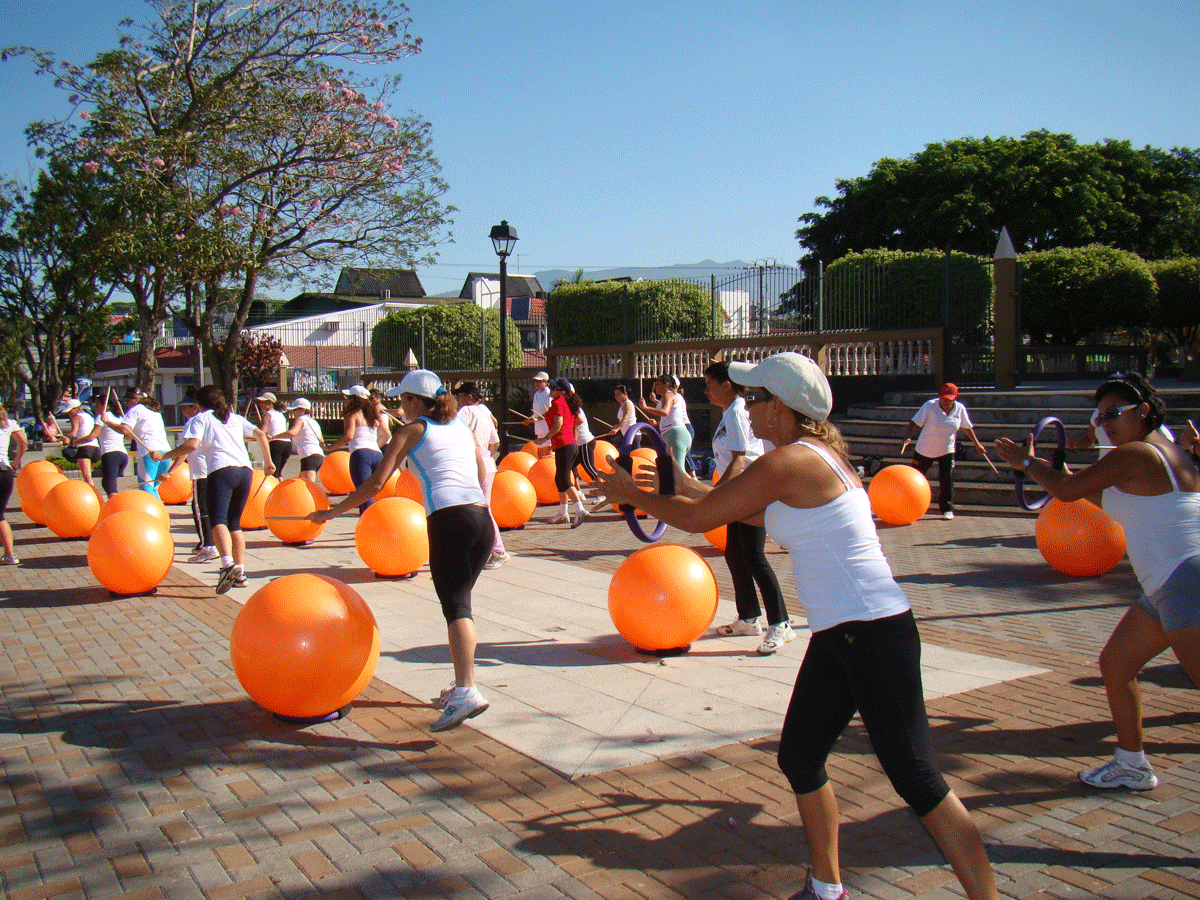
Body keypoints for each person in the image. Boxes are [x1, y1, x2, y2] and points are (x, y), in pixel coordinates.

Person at [596, 352, 998, 900]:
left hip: (873, 634)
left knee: (920, 782)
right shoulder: (810, 457)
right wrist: (676, 482)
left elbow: (699, 519)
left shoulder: (791, 462)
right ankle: (826, 888)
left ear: (781, 408)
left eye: (754, 398)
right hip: (843, 635)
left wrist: (633, 496)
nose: (746, 407)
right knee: (801, 757)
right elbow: (732, 506)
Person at [996, 371, 1200, 792]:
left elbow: (1068, 492)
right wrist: (1054, 471)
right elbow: (1095, 493)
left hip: (1186, 582)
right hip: (1165, 587)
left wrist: (1026, 463)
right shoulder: (1166, 454)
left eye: (1115, 413)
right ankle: (1131, 764)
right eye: (1100, 415)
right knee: (1116, 665)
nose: (1105, 423)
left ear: (1143, 411)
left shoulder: (1136, 454)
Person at [311, 369, 494, 732]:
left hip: (450, 521)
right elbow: (480, 466)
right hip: (481, 521)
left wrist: (331, 511)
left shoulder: (412, 430)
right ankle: (462, 684)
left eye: (402, 399)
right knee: (461, 607)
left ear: (414, 401)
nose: (399, 405)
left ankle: (466, 691)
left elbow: (376, 482)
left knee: (457, 608)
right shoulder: (459, 426)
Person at [703, 359, 792, 655]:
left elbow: (740, 460)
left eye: (709, 385)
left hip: (751, 491)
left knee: (754, 557)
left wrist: (716, 495)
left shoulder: (738, 412)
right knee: (735, 554)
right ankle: (749, 618)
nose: (706, 391)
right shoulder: (730, 411)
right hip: (740, 492)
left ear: (727, 386)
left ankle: (780, 623)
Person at [150, 385, 274, 594]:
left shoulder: (200, 419)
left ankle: (227, 566)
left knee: (218, 520)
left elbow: (192, 445)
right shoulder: (234, 418)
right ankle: (240, 572)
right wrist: (268, 462)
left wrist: (163, 456)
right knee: (235, 523)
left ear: (199, 404)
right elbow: (261, 434)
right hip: (245, 471)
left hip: (221, 470)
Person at [902, 383, 990, 520]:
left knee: (947, 479)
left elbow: (966, 427)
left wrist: (977, 444)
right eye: (943, 398)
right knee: (915, 478)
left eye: (949, 399)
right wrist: (908, 437)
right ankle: (911, 505)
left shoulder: (960, 409)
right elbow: (914, 422)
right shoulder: (930, 405)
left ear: (955, 398)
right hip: (925, 449)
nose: (945, 402)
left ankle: (947, 508)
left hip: (947, 450)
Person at [454, 382, 510, 569]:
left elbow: (451, 430)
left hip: (475, 468)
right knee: (478, 509)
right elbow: (495, 443)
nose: (458, 401)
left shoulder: (466, 412)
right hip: (487, 465)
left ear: (469, 397)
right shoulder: (485, 412)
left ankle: (498, 550)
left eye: (460, 396)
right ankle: (481, 549)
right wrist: (484, 455)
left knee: (480, 510)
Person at [328, 385, 387, 513]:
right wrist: (375, 445)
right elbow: (386, 434)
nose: (346, 400)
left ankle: (371, 522)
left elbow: (349, 435)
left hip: (361, 454)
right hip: (377, 454)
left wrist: (330, 448)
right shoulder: (374, 416)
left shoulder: (352, 414)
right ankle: (371, 522)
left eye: (348, 397)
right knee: (370, 492)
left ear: (355, 399)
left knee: (362, 494)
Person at [111, 389, 172, 497]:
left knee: (146, 489)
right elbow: (130, 435)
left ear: (135, 400)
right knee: (154, 488)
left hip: (149, 452)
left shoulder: (135, 410)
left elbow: (125, 430)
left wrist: (108, 422)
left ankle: (154, 513)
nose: (126, 404)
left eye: (128, 400)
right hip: (165, 452)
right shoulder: (154, 411)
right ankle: (160, 512)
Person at [545, 377, 588, 527]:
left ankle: (580, 510)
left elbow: (558, 424)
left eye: (552, 388)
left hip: (565, 445)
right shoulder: (566, 403)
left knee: (564, 480)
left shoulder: (558, 403)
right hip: (568, 445)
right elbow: (578, 420)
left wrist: (545, 438)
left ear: (560, 391)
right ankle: (563, 513)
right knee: (560, 479)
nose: (549, 390)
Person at [638, 374, 693, 471]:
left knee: (678, 471)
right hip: (674, 436)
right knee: (675, 470)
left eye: (658, 384)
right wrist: (657, 422)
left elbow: (665, 412)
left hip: (676, 436)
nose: (655, 387)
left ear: (666, 385)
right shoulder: (666, 397)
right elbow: (669, 416)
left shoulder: (668, 394)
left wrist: (646, 408)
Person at [80, 394, 130, 499]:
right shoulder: (119, 417)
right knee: (106, 483)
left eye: (97, 404)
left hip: (110, 454)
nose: (95, 407)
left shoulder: (102, 417)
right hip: (123, 455)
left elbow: (93, 436)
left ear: (106, 406)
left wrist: (75, 442)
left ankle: (115, 507)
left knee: (110, 485)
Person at [0, 403, 28, 565]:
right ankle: (9, 554)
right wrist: (16, 461)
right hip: (5, 472)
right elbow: (23, 442)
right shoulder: (10, 424)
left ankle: (9, 554)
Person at [59, 397, 103, 501]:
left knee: (87, 478)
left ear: (74, 409)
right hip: (96, 448)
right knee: (89, 475)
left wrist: (63, 437)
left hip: (84, 449)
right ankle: (93, 496)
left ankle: (96, 499)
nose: (68, 414)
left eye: (69, 412)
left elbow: (73, 433)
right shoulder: (89, 417)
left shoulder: (76, 418)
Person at [280, 397, 325, 484]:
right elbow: (321, 441)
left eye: (295, 410)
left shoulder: (301, 419)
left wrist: (274, 436)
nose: (293, 413)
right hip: (319, 455)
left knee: (309, 487)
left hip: (308, 455)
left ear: (303, 410)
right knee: (301, 484)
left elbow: (292, 433)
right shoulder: (314, 422)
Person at [254, 392, 292, 478]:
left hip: (276, 444)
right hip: (287, 444)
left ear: (269, 403)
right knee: (278, 473)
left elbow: (262, 432)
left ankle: (274, 490)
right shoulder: (280, 414)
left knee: (273, 473)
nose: (260, 404)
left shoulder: (267, 415)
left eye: (262, 402)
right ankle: (281, 490)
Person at [523, 372, 552, 457]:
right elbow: (536, 412)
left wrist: (537, 419)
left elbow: (550, 411)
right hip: (539, 429)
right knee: (540, 455)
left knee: (548, 456)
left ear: (546, 382)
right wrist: (531, 418)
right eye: (535, 381)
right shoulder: (536, 394)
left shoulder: (548, 393)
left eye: (539, 381)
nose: (537, 383)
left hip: (547, 429)